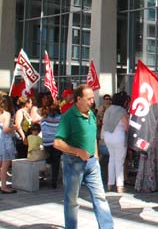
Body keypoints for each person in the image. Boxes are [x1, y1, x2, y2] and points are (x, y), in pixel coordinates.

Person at [54, 84, 114, 229]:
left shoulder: (91, 114)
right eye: (89, 99)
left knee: (100, 198)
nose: (92, 101)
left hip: (92, 163)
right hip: (73, 163)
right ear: (78, 99)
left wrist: (96, 156)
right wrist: (78, 151)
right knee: (72, 200)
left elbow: (93, 136)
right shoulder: (68, 117)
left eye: (92, 98)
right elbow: (57, 143)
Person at [102, 91, 129, 193]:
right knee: (120, 161)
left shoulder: (108, 110)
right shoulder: (122, 111)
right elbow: (126, 127)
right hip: (119, 136)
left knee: (112, 159)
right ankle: (120, 185)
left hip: (108, 136)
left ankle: (110, 183)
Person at [0, 95, 18, 193]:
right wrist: (15, 128)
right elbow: (6, 129)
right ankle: (4, 186)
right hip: (5, 141)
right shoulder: (7, 114)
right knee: (5, 165)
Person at [42, 103, 62, 189]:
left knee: (49, 160)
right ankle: (54, 181)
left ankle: (46, 172)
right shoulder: (61, 118)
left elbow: (42, 128)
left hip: (47, 143)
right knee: (56, 162)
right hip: (56, 143)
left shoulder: (44, 118)